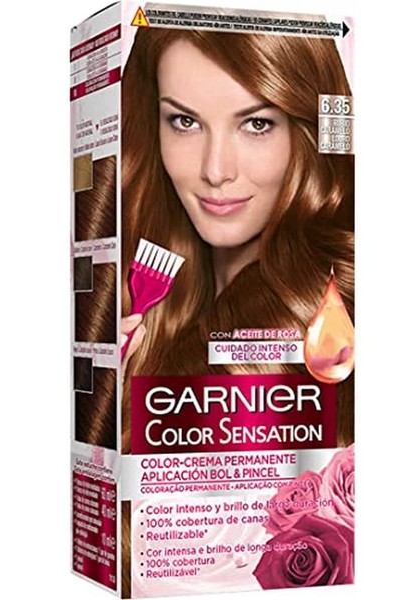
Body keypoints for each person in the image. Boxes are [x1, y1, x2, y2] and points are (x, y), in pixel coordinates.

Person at [120, 27, 354, 448]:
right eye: (185, 122)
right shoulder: (131, 299)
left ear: (306, 134)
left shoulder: (336, 318)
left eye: (256, 124)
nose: (215, 171)